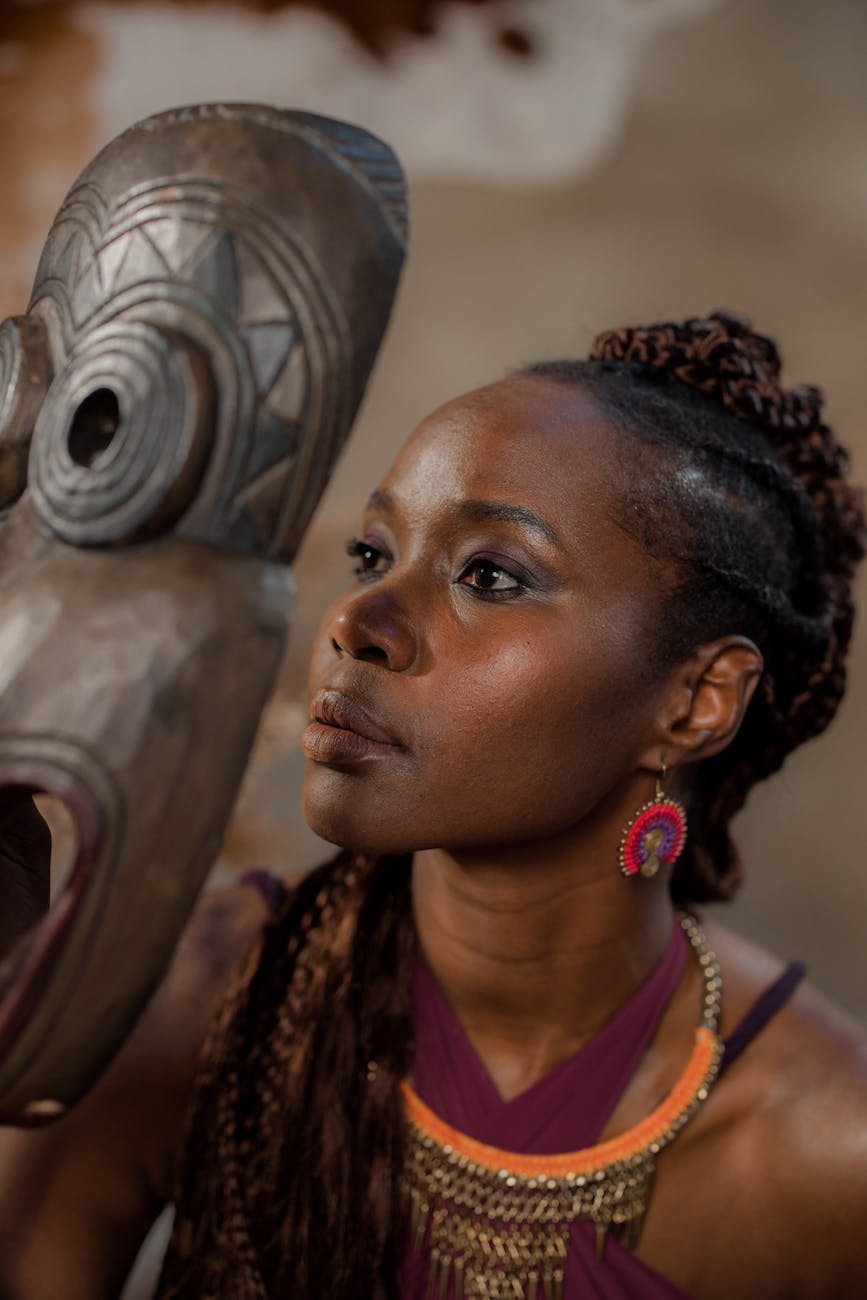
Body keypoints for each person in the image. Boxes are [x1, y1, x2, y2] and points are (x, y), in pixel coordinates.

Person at [0, 310, 865, 1300]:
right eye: (374, 555)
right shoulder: (186, 1006)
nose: (356, 621)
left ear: (695, 701)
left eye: (490, 575)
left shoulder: (827, 1153)